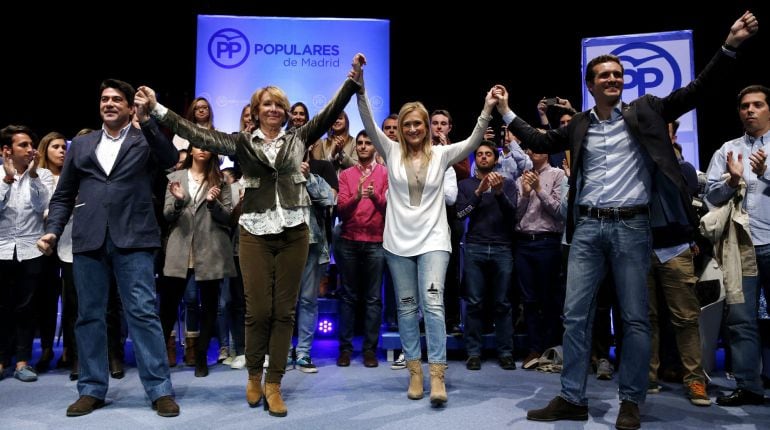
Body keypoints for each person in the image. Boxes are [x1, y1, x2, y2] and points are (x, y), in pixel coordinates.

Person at [504, 12, 758, 430]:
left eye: (617, 74)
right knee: (574, 315)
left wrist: (729, 45)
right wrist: (507, 112)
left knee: (636, 318)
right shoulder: (580, 124)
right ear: (590, 84)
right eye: (603, 75)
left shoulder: (646, 112)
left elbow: (697, 90)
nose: (612, 80)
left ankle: (631, 400)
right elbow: (539, 141)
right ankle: (571, 397)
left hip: (631, 228)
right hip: (586, 228)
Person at [141, 53, 365, 418]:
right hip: (254, 232)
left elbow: (329, 113)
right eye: (267, 104)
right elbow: (196, 133)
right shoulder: (242, 143)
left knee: (284, 312)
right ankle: (253, 374)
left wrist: (352, 80)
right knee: (258, 310)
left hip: (294, 231)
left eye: (279, 104)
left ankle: (274, 383)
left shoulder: (298, 138)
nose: (274, 109)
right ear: (256, 110)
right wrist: (158, 110)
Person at [356, 57, 500, 406]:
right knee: (406, 309)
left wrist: (486, 108)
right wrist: (360, 87)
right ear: (401, 128)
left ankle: (438, 375)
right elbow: (367, 120)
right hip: (397, 243)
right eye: (409, 124)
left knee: (433, 306)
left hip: (435, 240)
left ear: (427, 127)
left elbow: (474, 139)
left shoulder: (442, 153)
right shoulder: (389, 150)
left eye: (420, 124)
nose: (415, 129)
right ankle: (414, 372)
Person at [37, 79, 180, 417]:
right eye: (104, 99)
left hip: (135, 238)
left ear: (131, 106)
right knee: (88, 317)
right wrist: (53, 232)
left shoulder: (144, 136)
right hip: (88, 240)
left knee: (143, 313)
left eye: (117, 99)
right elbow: (64, 194)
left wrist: (146, 120)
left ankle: (160, 389)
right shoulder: (82, 144)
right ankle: (91, 388)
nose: (109, 103)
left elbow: (171, 157)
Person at [704, 84, 770, 407]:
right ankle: (749, 386)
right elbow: (711, 198)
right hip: (741, 247)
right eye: (745, 106)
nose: (750, 110)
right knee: (741, 320)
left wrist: (765, 172)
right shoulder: (728, 150)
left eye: (757, 104)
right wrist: (731, 181)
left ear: (769, 109)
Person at [0, 125, 53, 383]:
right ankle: (1, 360)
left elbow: (43, 206)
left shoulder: (42, 175)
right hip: (1, 250)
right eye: (23, 145)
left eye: (31, 145)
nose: (31, 149)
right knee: (2, 307)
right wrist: (8, 180)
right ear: (6, 150)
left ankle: (22, 361)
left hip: (31, 250)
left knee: (26, 307)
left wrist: (31, 177)